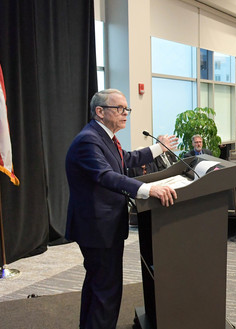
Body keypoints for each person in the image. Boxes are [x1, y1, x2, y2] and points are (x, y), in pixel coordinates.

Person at [65, 89, 178, 329]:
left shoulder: (104, 137)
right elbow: (106, 176)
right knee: (106, 291)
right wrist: (149, 190)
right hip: (97, 230)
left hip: (102, 227)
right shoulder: (89, 140)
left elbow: (125, 158)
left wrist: (158, 148)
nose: (125, 113)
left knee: (98, 287)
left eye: (127, 109)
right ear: (100, 111)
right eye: (120, 109)